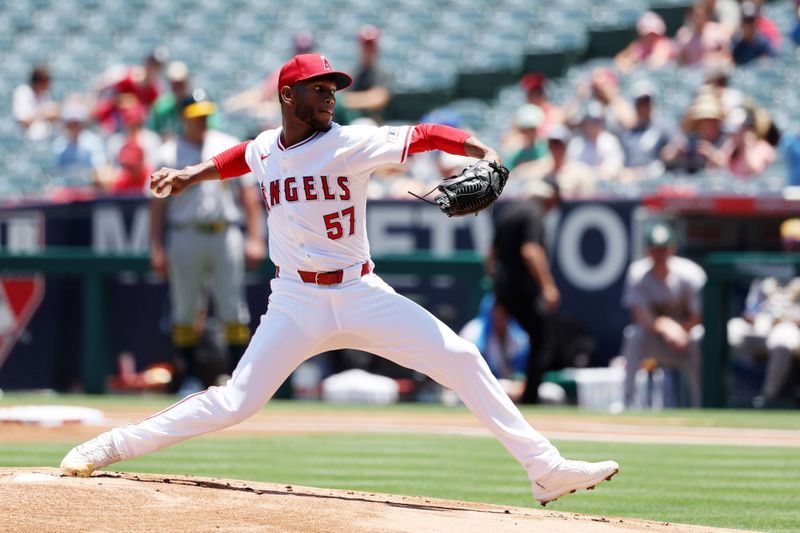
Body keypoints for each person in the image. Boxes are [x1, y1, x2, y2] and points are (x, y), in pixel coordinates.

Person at [61, 53, 618, 506]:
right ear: (289, 98)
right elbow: (240, 157)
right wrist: (189, 174)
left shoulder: (349, 142)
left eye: (332, 87)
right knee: (236, 403)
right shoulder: (266, 147)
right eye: (319, 88)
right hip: (294, 300)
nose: (330, 95)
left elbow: (424, 134)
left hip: (359, 292)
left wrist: (484, 150)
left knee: (461, 358)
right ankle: (108, 447)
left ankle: (544, 470)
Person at [148, 90, 265, 395]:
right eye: (195, 116)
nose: (201, 121)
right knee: (185, 309)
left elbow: (249, 198)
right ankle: (189, 377)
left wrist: (255, 237)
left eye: (204, 115)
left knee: (233, 308)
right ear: (183, 118)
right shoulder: (168, 152)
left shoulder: (225, 145)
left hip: (225, 230)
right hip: (185, 231)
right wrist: (156, 247)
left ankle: (237, 379)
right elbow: (157, 206)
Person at [488, 175, 561, 405]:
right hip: (522, 290)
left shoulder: (509, 211)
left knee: (498, 339)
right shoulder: (534, 213)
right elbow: (530, 250)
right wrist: (548, 286)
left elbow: (490, 256)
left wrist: (498, 287)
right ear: (549, 198)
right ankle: (530, 397)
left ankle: (493, 392)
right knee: (542, 340)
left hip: (504, 288)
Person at [620, 223, 706, 408]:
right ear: (647, 251)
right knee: (634, 334)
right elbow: (640, 316)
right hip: (657, 340)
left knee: (700, 336)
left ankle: (701, 404)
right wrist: (666, 326)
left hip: (686, 340)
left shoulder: (690, 274)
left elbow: (699, 317)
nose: (659, 254)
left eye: (663, 249)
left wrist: (679, 331)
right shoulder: (638, 273)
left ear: (672, 249)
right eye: (655, 249)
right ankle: (627, 402)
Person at [727, 218, 800, 408]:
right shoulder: (769, 270)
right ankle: (725, 391)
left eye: (797, 244)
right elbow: (749, 311)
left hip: (790, 329)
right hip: (763, 326)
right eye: (790, 244)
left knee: (783, 339)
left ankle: (766, 399)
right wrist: (763, 319)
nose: (793, 249)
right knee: (728, 331)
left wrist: (786, 319)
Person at [459, 294, 530, 403]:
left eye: (504, 311)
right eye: (496, 310)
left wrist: (520, 385)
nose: (500, 315)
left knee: (551, 393)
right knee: (451, 399)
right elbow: (462, 373)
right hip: (476, 389)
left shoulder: (518, 336)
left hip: (508, 389)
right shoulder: (473, 333)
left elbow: (520, 375)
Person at [619, 81, 677, 181]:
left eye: (647, 103)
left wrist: (671, 153)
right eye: (641, 103)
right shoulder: (628, 133)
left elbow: (677, 146)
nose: (644, 107)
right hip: (631, 178)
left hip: (656, 177)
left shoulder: (664, 126)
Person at [675, 3, 732, 67]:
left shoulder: (718, 31)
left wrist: (712, 57)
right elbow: (681, 61)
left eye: (702, 15)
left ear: (707, 16)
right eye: (697, 15)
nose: (699, 19)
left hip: (715, 72)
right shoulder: (684, 35)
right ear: (690, 17)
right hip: (692, 73)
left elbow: (727, 56)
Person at [12, 65, 59, 141]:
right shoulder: (23, 92)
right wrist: (44, 114)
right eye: (47, 82)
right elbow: (23, 121)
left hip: (44, 136)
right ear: (39, 82)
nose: (49, 86)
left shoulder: (45, 95)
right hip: (25, 137)